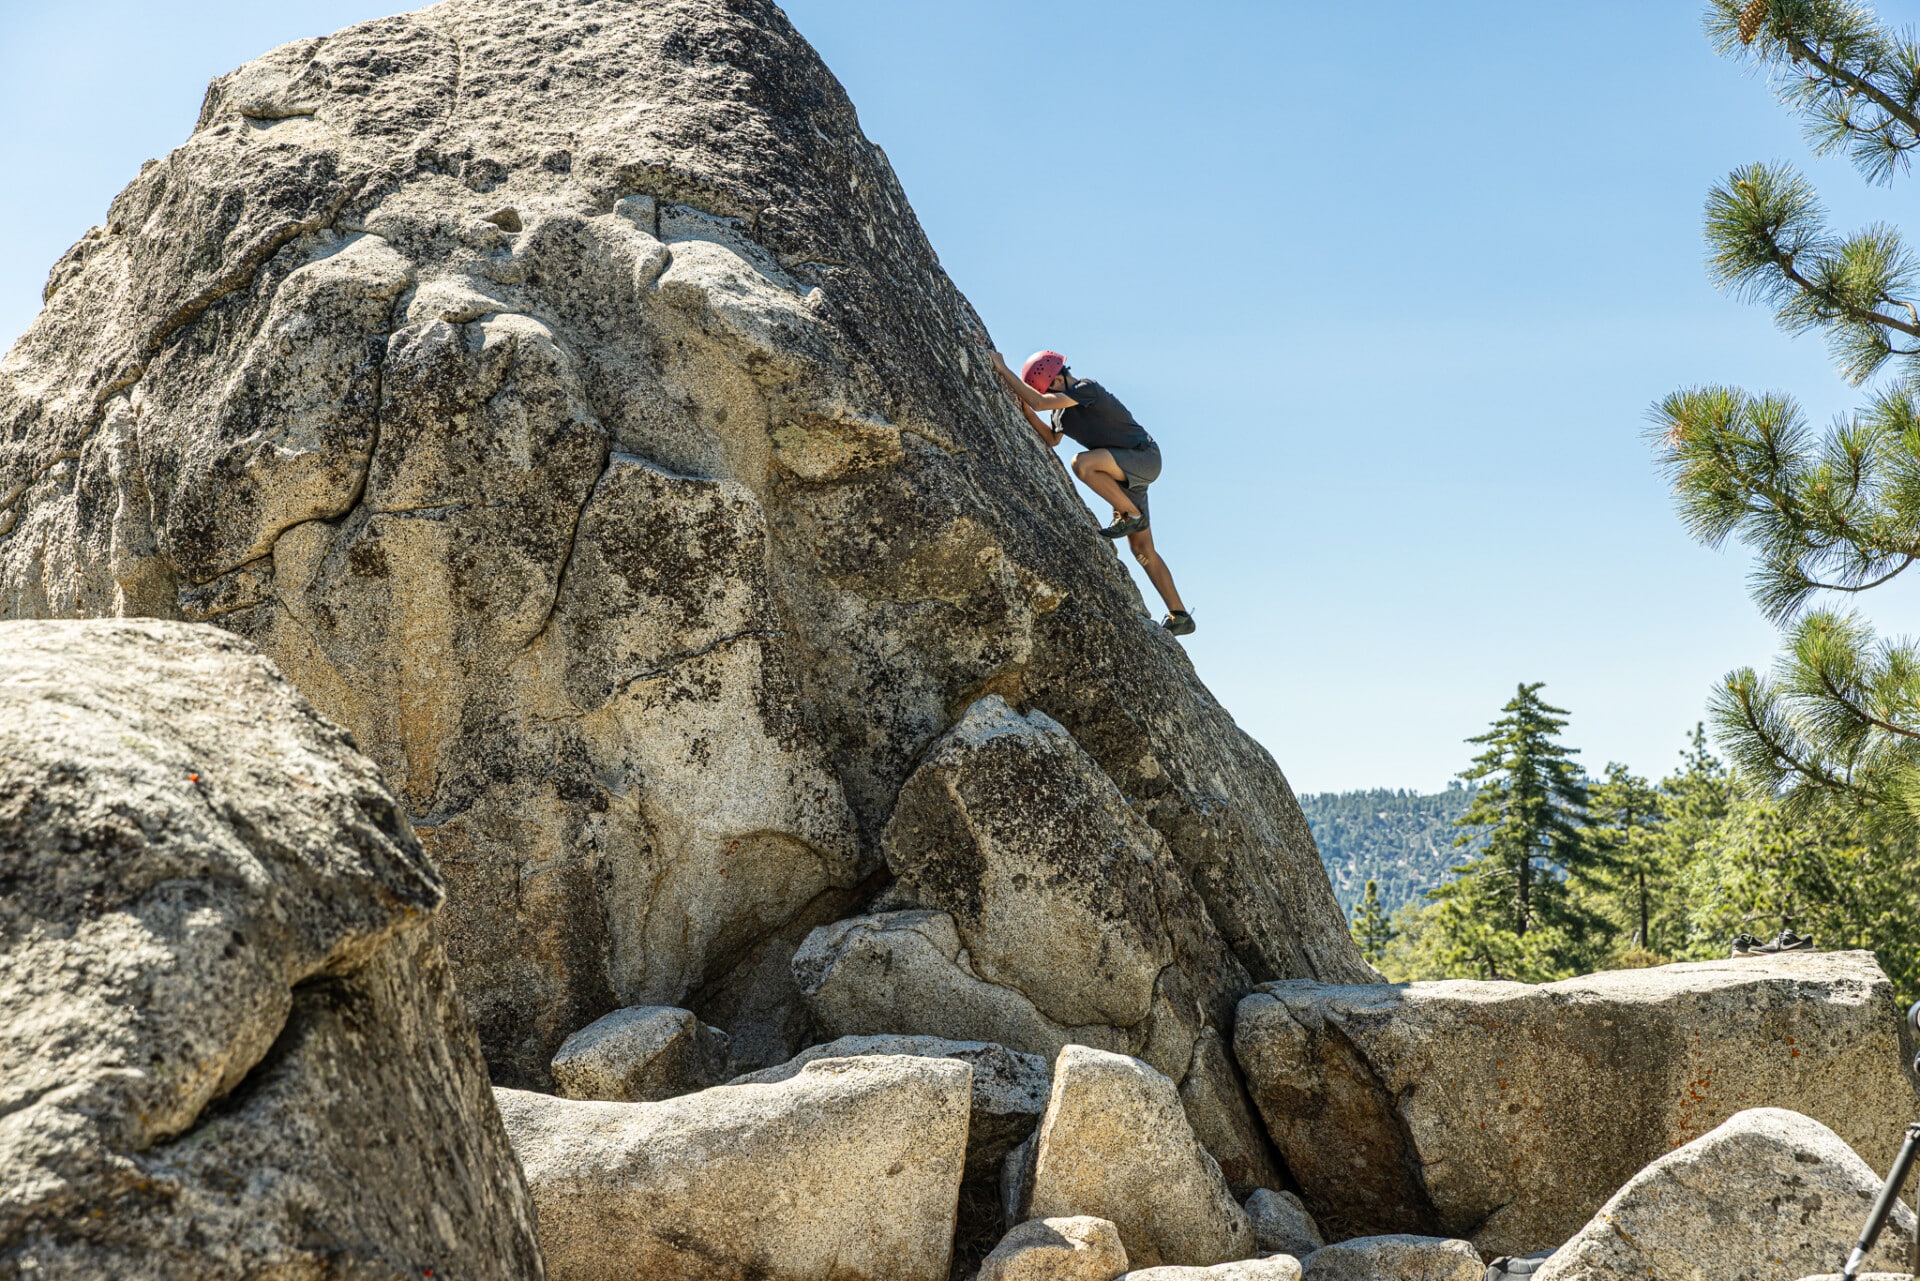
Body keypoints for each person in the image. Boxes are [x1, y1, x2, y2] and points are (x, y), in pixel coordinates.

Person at [985, 345, 1195, 635]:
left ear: (1057, 380)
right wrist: (1025, 411)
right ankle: (1180, 615)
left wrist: (1002, 370)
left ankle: (1130, 513)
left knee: (1082, 464)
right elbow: (1051, 438)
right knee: (1142, 550)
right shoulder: (1060, 413)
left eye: (1050, 388)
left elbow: (1040, 402)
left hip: (1143, 457)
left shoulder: (1086, 388)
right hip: (1121, 472)